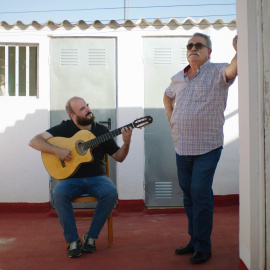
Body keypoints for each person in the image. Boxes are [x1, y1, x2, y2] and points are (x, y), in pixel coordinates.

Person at [163, 33, 237, 264]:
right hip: (182, 147)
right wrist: (171, 119)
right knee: (188, 195)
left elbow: (234, 69)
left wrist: (239, 48)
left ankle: (204, 246)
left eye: (198, 45)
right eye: (190, 45)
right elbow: (167, 97)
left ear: (208, 51)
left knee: (200, 193)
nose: (193, 48)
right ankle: (194, 240)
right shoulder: (178, 77)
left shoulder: (217, 71)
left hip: (207, 147)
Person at [29, 96, 132, 258]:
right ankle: (73, 240)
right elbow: (34, 141)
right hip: (70, 179)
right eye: (82, 109)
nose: (88, 110)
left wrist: (126, 142)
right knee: (59, 194)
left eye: (87, 106)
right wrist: (58, 151)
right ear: (72, 115)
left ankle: (91, 237)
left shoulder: (101, 131)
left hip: (97, 178)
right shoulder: (64, 128)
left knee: (111, 192)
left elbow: (119, 157)